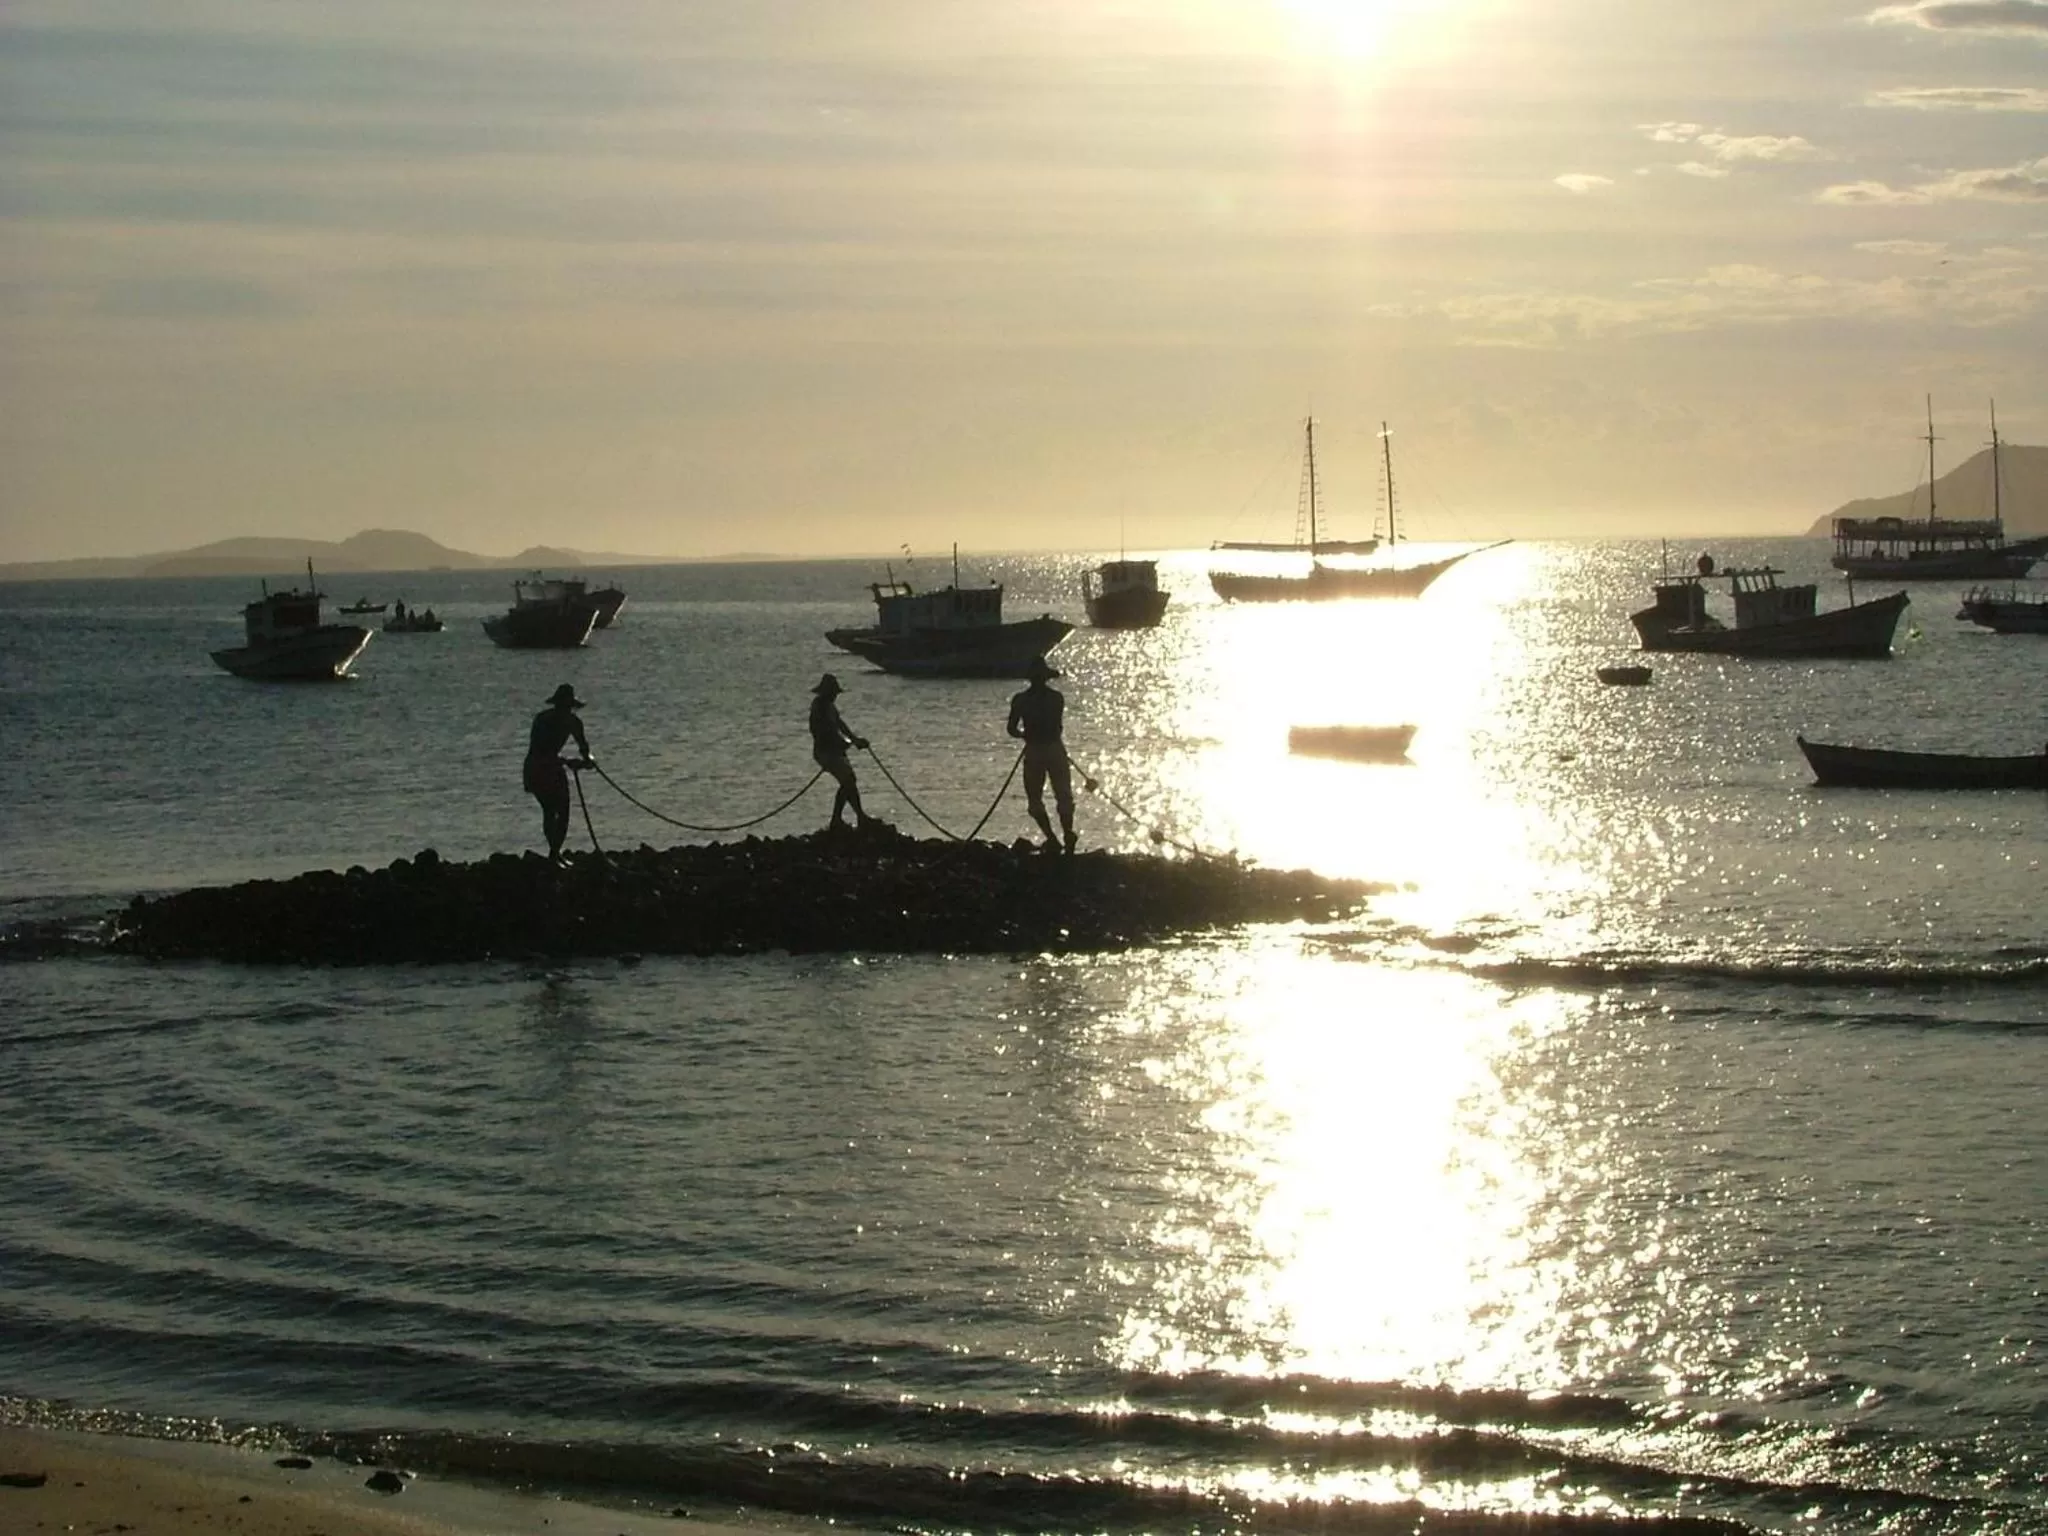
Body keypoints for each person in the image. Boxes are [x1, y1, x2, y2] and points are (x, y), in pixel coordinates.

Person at [1007, 654, 1076, 854]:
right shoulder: (1056, 698)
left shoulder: (1020, 700)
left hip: (1035, 750)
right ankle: (1067, 834)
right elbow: (1058, 727)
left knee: (1035, 798)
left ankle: (1053, 838)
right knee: (1063, 795)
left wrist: (1024, 734)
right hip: (1055, 748)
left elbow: (1011, 729)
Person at [524, 683, 593, 862]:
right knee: (561, 810)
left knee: (549, 810)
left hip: (533, 767)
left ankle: (554, 852)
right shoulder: (573, 722)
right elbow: (584, 750)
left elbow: (537, 748)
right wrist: (586, 762)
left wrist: (578, 761)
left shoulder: (541, 718)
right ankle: (555, 853)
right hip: (546, 768)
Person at [808, 673, 870, 828]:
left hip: (834, 751)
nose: (835, 696)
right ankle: (843, 818)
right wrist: (843, 743)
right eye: (834, 693)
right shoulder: (819, 707)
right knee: (848, 780)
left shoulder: (828, 706)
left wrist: (854, 740)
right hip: (825, 752)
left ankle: (856, 816)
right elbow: (823, 731)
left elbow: (839, 724)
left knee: (849, 781)